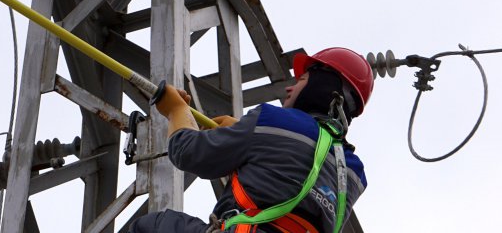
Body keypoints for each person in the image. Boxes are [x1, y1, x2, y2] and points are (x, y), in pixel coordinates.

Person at [129, 47, 374, 233]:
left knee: (155, 226)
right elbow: (292, 184)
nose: (289, 89)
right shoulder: (353, 173)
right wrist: (247, 137)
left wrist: (175, 110)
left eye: (301, 80)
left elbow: (188, 151)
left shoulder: (272, 119)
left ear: (321, 87)